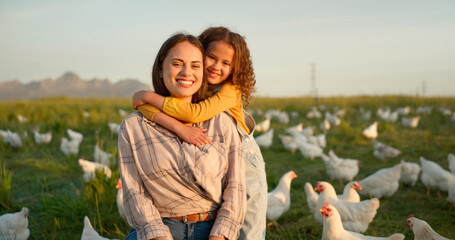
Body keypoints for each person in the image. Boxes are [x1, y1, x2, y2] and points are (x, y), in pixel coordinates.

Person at [132, 26, 267, 240]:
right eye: (211, 58)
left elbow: (194, 114)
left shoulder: (230, 90)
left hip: (244, 159)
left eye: (226, 63)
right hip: (214, 157)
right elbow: (145, 109)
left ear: (235, 68)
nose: (216, 66)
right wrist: (146, 103)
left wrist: (148, 96)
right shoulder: (198, 87)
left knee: (246, 228)